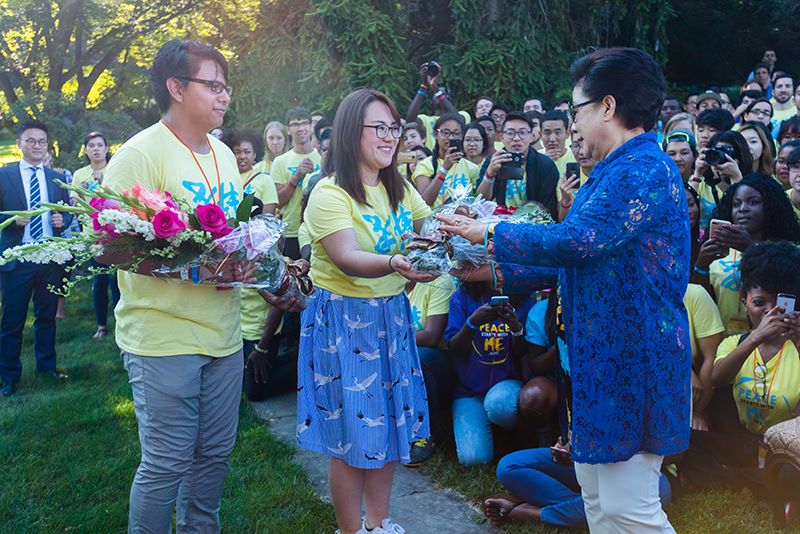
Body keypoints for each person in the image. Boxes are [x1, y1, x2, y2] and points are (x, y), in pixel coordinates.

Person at [439, 47, 690, 533]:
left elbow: (577, 241)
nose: (572, 125)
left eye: (576, 110)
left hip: (631, 364)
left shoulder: (642, 170)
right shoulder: (613, 172)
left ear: (608, 107)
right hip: (600, 367)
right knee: (597, 500)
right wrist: (491, 273)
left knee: (628, 507)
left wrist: (489, 233)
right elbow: (573, 264)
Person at [100, 39, 302, 533]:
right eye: (212, 85)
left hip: (225, 334)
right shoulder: (138, 154)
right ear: (175, 87)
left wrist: (266, 272)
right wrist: (189, 270)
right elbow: (108, 248)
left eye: (225, 86)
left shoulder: (223, 156)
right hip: (163, 335)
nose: (224, 96)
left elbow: (231, 240)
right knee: (167, 462)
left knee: (213, 456)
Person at [296, 88, 436, 534]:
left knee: (390, 428)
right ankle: (350, 530)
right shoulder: (329, 192)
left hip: (391, 318)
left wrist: (449, 229)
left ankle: (379, 523)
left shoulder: (399, 187)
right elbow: (346, 257)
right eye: (380, 127)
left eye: (394, 127)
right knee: (352, 435)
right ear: (352, 131)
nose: (390, 136)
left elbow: (427, 224)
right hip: (344, 322)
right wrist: (396, 262)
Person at [680, 241, 800, 494]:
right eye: (759, 303)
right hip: (745, 442)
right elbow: (716, 378)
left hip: (788, 448)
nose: (769, 312)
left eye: (777, 304)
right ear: (743, 301)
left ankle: (741, 480)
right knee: (685, 444)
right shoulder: (735, 343)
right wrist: (756, 337)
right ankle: (753, 482)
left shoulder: (796, 346)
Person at [0, 119, 73, 397]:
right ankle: (8, 375)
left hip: (48, 258)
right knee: (12, 320)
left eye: (42, 141)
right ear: (19, 144)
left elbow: (67, 214)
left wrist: (61, 220)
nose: (37, 146)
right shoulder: (4, 175)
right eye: (31, 140)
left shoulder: (56, 178)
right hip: (18, 258)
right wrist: (11, 221)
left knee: (46, 317)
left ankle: (47, 368)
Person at [692, 174, 800, 336]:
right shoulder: (721, 251)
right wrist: (702, 265)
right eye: (737, 204)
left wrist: (750, 248)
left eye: (753, 202)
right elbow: (702, 300)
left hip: (776, 342)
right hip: (724, 344)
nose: (742, 208)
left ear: (770, 206)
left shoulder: (790, 251)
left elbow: (791, 291)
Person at [444, 280, 533, 465]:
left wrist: (516, 328)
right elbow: (454, 349)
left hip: (507, 385)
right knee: (473, 459)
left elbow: (521, 353)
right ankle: (490, 435)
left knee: (499, 406)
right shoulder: (463, 296)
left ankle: (506, 436)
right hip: (468, 390)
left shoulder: (525, 298)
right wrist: (472, 322)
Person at [72, 131, 120, 338]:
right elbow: (76, 205)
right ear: (86, 150)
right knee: (99, 281)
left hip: (117, 234)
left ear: (107, 148)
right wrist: (85, 197)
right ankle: (101, 325)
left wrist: (102, 184)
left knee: (117, 281)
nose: (96, 149)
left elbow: (121, 199)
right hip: (93, 236)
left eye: (100, 145)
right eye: (91, 145)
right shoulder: (79, 175)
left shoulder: (115, 169)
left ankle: (121, 324)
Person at [404, 276, 456, 465]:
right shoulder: (387, 282)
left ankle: (425, 433)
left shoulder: (438, 281)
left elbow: (431, 336)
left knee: (419, 357)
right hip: (400, 352)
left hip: (437, 362)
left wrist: (389, 339)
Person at [475, 112, 559, 216]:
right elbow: (480, 201)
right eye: (510, 133)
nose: (516, 138)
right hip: (499, 222)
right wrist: (490, 174)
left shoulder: (545, 165)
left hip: (532, 223)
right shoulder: (492, 161)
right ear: (501, 137)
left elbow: (549, 208)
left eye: (522, 133)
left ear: (531, 136)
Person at [273, 107, 321, 259]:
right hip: (291, 231)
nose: (300, 128)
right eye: (295, 124)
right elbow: (278, 202)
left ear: (311, 126)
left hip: (319, 228)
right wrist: (297, 176)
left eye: (304, 123)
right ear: (288, 130)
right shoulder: (280, 161)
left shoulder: (322, 157)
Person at [411, 113, 479, 208]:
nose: (451, 137)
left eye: (456, 133)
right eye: (445, 133)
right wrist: (444, 169)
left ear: (461, 136)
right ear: (436, 135)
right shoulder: (425, 165)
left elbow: (478, 200)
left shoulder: (471, 167)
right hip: (433, 221)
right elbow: (425, 203)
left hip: (462, 221)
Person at [691, 130, 753, 229]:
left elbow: (745, 211)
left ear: (739, 158)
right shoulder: (701, 182)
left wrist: (736, 177)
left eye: (726, 153)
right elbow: (685, 208)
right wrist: (697, 173)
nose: (720, 158)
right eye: (716, 152)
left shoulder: (752, 186)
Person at [227, 128, 278, 214]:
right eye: (237, 152)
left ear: (255, 154)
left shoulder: (265, 180)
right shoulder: (223, 177)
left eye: (247, 152)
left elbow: (268, 217)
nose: (242, 156)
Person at [557, 130, 597, 221]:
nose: (581, 152)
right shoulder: (567, 179)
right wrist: (566, 201)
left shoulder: (608, 175)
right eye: (576, 146)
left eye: (586, 145)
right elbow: (562, 222)